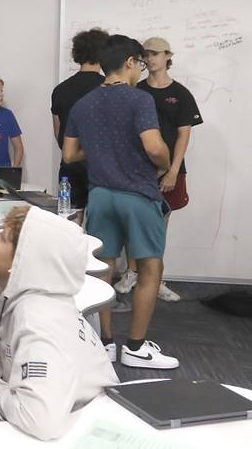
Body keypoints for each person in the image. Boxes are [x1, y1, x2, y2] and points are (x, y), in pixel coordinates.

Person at [0, 206, 119, 447]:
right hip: (28, 418)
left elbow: (39, 421)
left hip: (64, 434)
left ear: (23, 261)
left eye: (3, 238)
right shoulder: (11, 282)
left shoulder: (37, 321)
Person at [63, 34, 178, 370]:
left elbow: (70, 154)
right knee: (150, 269)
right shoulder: (138, 100)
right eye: (139, 64)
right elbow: (155, 148)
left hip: (100, 197)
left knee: (103, 270)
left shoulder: (83, 104)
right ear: (129, 62)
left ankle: (105, 343)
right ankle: (136, 347)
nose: (141, 70)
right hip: (137, 196)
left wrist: (100, 152)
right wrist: (165, 163)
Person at [114, 36, 203, 302]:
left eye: (155, 53)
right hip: (137, 170)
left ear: (167, 56)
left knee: (158, 226)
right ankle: (131, 273)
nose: (150, 58)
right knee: (132, 222)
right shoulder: (135, 90)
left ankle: (155, 277)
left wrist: (173, 171)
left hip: (170, 171)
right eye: (146, 54)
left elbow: (183, 136)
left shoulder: (182, 94)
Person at [51, 28, 108, 216]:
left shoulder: (61, 89)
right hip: (103, 168)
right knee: (101, 226)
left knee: (71, 221)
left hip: (70, 165)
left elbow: (59, 132)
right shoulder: (109, 88)